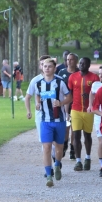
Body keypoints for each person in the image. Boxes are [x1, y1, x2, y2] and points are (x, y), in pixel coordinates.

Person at [24, 58, 72, 187]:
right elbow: (37, 95)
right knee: (46, 148)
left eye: (50, 66)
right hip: (45, 121)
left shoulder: (60, 82)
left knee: (59, 147)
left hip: (59, 120)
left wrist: (61, 103)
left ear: (54, 68)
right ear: (42, 67)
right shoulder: (38, 83)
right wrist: (38, 103)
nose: (47, 68)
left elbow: (69, 97)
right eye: (45, 66)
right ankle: (49, 176)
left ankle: (57, 164)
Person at [68, 57, 100, 171]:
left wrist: (91, 98)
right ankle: (78, 161)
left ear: (88, 65)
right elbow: (69, 94)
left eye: (84, 63)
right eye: (80, 63)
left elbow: (98, 94)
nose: (81, 65)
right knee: (76, 135)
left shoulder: (94, 77)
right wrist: (67, 111)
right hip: (75, 109)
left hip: (88, 110)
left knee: (87, 135)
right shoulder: (72, 77)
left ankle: (87, 158)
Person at [88, 65, 102, 177]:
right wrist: (90, 106)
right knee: (101, 141)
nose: (100, 75)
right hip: (98, 116)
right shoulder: (96, 84)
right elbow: (91, 93)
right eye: (100, 73)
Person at [58, 53, 79, 159]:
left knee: (74, 128)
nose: (69, 61)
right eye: (67, 59)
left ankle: (72, 148)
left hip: (76, 103)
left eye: (71, 59)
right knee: (66, 126)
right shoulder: (62, 72)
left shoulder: (79, 72)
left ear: (76, 61)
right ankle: (65, 144)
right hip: (64, 103)